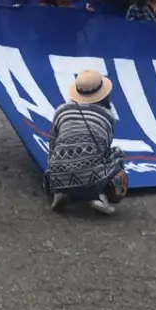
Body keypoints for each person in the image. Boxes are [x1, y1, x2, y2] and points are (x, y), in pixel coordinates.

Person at [45, 70, 129, 215]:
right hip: (91, 179)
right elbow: (104, 149)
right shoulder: (107, 116)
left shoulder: (61, 111)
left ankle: (59, 192)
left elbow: (52, 143)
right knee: (117, 155)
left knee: (58, 161)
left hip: (57, 175)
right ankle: (100, 197)